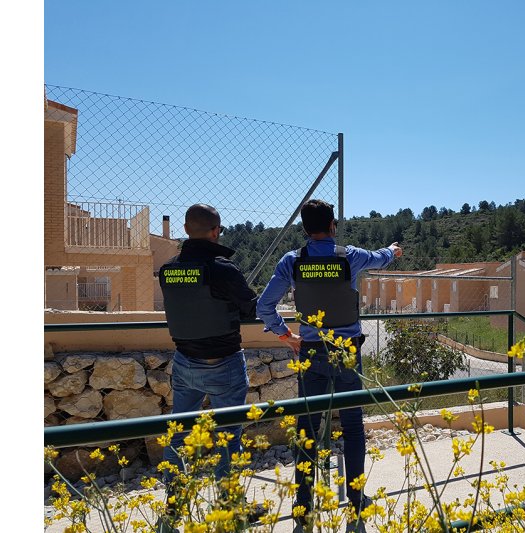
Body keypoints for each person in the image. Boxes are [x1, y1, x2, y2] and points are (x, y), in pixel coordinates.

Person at [256, 199, 402, 533]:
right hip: (348, 352)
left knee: (307, 429)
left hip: (310, 351)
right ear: (333, 225)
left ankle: (303, 505)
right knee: (352, 426)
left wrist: (284, 334)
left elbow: (264, 305)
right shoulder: (350, 256)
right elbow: (381, 257)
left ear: (305, 229)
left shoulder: (291, 262)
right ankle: (355, 498)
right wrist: (393, 250)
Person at [157, 204, 259, 531]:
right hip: (224, 364)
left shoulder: (168, 269)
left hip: (184, 363)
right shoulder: (223, 269)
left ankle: (173, 505)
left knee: (178, 435)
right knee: (228, 437)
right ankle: (229, 509)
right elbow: (249, 307)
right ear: (216, 231)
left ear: (186, 230)